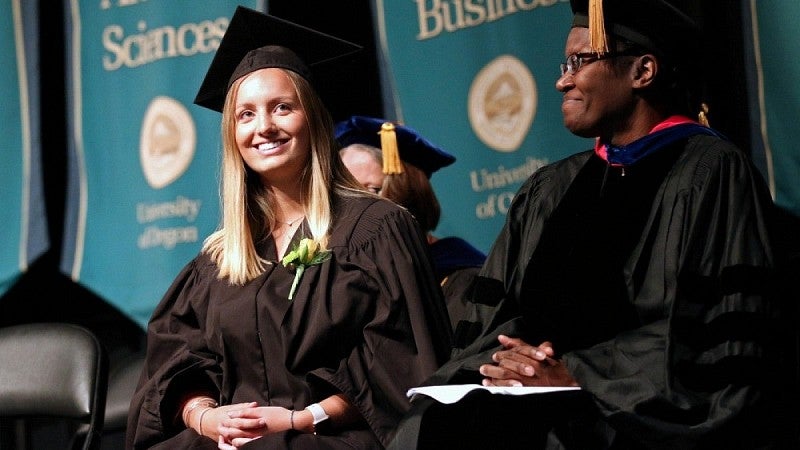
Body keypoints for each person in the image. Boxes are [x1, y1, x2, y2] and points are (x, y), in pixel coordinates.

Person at [388, 0, 791, 448]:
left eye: (580, 62)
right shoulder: (549, 189)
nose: (562, 80)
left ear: (643, 71)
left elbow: (718, 336)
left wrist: (575, 374)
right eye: (566, 64)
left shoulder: (711, 174)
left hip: (631, 420)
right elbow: (494, 318)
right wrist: (513, 364)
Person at [125, 6, 452, 450]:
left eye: (282, 107)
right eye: (246, 114)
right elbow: (176, 362)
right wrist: (206, 418)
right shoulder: (220, 259)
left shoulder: (376, 229)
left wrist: (303, 417)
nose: (265, 127)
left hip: (334, 437)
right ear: (231, 134)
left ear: (312, 118)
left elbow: (404, 367)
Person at [335, 116, 487, 331]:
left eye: (372, 190)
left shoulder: (461, 276)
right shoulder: (343, 284)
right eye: (345, 192)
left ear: (407, 193)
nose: (355, 205)